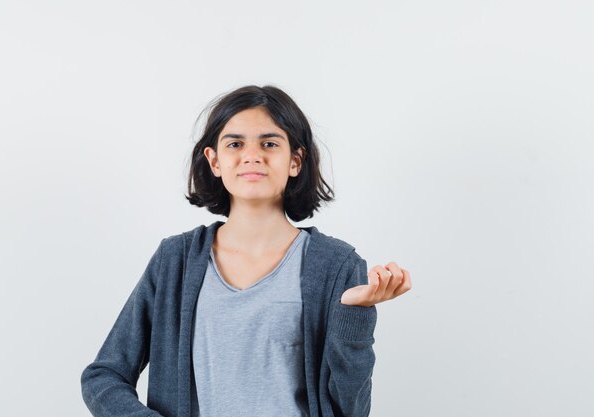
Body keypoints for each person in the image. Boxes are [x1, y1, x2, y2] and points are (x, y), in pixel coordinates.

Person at [80, 85, 412, 417]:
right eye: (235, 144)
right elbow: (103, 377)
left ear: (295, 161)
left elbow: (350, 411)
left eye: (269, 143)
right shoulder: (175, 260)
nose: (252, 155)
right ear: (215, 161)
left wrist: (355, 315)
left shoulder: (337, 265)